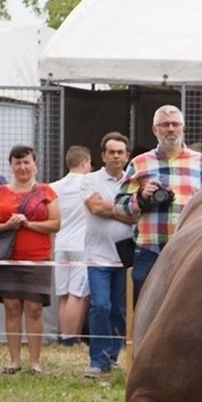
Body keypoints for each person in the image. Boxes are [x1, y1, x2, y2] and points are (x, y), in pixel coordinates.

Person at [114, 105, 202, 303]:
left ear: (183, 128)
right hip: (150, 249)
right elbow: (119, 207)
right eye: (165, 125)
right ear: (155, 130)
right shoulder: (139, 163)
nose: (171, 129)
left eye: (175, 124)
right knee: (146, 311)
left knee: (190, 306)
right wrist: (142, 198)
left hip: (191, 248)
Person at [0, 144, 62, 375]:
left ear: (34, 165)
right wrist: (7, 225)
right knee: (11, 308)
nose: (22, 167)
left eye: (26, 162)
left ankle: (35, 362)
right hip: (7, 259)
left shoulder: (46, 191)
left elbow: (56, 223)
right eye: (17, 163)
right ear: (11, 166)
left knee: (35, 308)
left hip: (37, 259)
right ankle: (14, 361)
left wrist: (28, 224)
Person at [83, 132, 135, 378]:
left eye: (120, 152)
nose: (116, 156)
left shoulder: (134, 182)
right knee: (100, 305)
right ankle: (97, 359)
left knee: (120, 311)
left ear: (127, 156)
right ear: (103, 155)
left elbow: (137, 214)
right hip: (98, 257)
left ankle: (111, 357)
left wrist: (110, 208)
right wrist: (123, 210)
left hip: (125, 257)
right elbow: (95, 207)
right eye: (111, 152)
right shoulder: (89, 180)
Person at [51, 145, 93, 345]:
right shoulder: (89, 183)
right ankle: (69, 339)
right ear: (85, 162)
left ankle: (65, 335)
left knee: (64, 294)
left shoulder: (54, 186)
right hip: (81, 245)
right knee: (77, 294)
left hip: (60, 244)